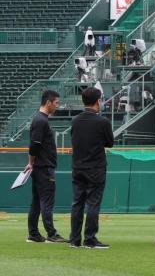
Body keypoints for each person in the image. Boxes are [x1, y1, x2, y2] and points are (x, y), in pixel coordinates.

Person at [69, 86, 113, 249]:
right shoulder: (102, 121)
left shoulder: (75, 120)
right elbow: (110, 142)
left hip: (78, 167)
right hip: (96, 167)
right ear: (98, 101)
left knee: (77, 203)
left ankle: (74, 239)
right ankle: (90, 239)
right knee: (93, 204)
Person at [26, 89, 65, 244]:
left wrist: (31, 162)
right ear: (48, 102)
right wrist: (30, 162)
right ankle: (51, 233)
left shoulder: (39, 119)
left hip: (40, 167)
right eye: (56, 103)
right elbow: (34, 146)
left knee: (36, 201)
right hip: (44, 168)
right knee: (46, 201)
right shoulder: (41, 120)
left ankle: (34, 234)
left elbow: (35, 146)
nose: (57, 106)